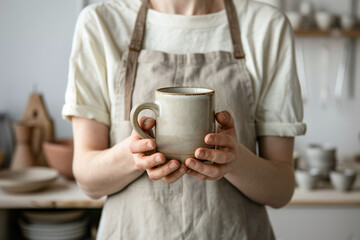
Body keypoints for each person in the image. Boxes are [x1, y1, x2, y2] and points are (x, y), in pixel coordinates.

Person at [62, 0, 306, 239]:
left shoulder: (267, 26)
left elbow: (281, 190)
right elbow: (87, 180)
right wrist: (134, 154)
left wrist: (235, 161)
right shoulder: (101, 23)